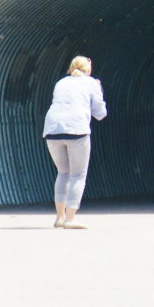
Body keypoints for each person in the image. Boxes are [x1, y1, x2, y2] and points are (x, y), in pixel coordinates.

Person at [42, 56, 107, 229]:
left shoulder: (61, 83)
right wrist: (99, 89)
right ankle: (70, 218)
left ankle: (59, 217)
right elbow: (100, 113)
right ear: (89, 69)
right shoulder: (91, 83)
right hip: (77, 129)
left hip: (52, 129)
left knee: (63, 173)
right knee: (78, 175)